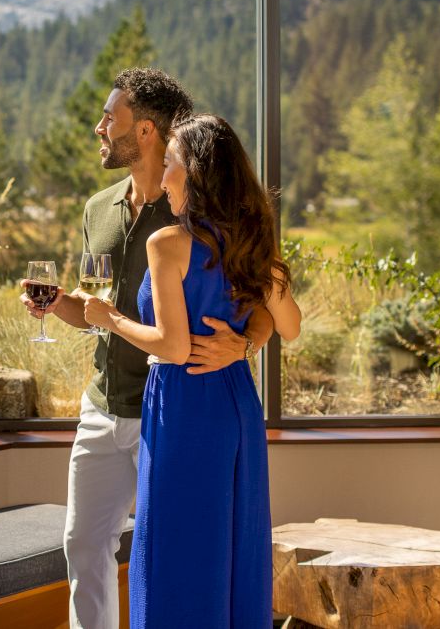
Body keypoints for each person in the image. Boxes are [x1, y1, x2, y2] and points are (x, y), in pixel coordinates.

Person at [21, 68, 275, 629]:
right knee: (83, 546)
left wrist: (244, 347)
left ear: (145, 132)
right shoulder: (98, 209)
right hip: (103, 403)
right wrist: (60, 304)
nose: (98, 128)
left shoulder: (191, 212)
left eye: (110, 118)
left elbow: (259, 304)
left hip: (164, 411)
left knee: (171, 549)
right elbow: (100, 311)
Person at [82, 113, 302, 628]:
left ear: (197, 173)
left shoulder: (167, 243)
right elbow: (287, 324)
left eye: (173, 164)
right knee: (232, 542)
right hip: (235, 407)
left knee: (171, 545)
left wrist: (109, 318)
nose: (163, 177)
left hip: (181, 406)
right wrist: (245, 342)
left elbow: (174, 348)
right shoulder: (250, 245)